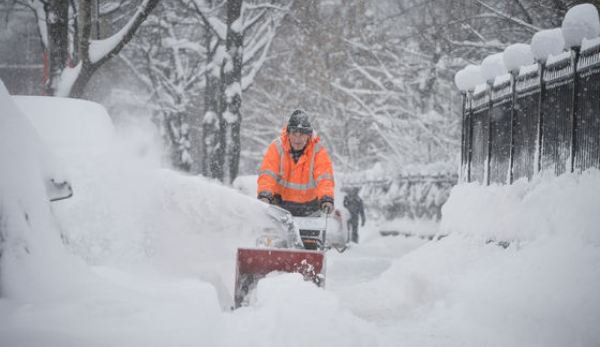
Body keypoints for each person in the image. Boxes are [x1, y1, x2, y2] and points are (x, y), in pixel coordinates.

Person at [257, 109, 334, 217]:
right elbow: (268, 175)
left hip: (310, 210)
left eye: (302, 134)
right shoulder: (277, 148)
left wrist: (326, 198)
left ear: (308, 135)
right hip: (280, 208)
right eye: (294, 133)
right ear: (288, 133)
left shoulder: (318, 151)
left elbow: (325, 179)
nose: (297, 139)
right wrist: (265, 195)